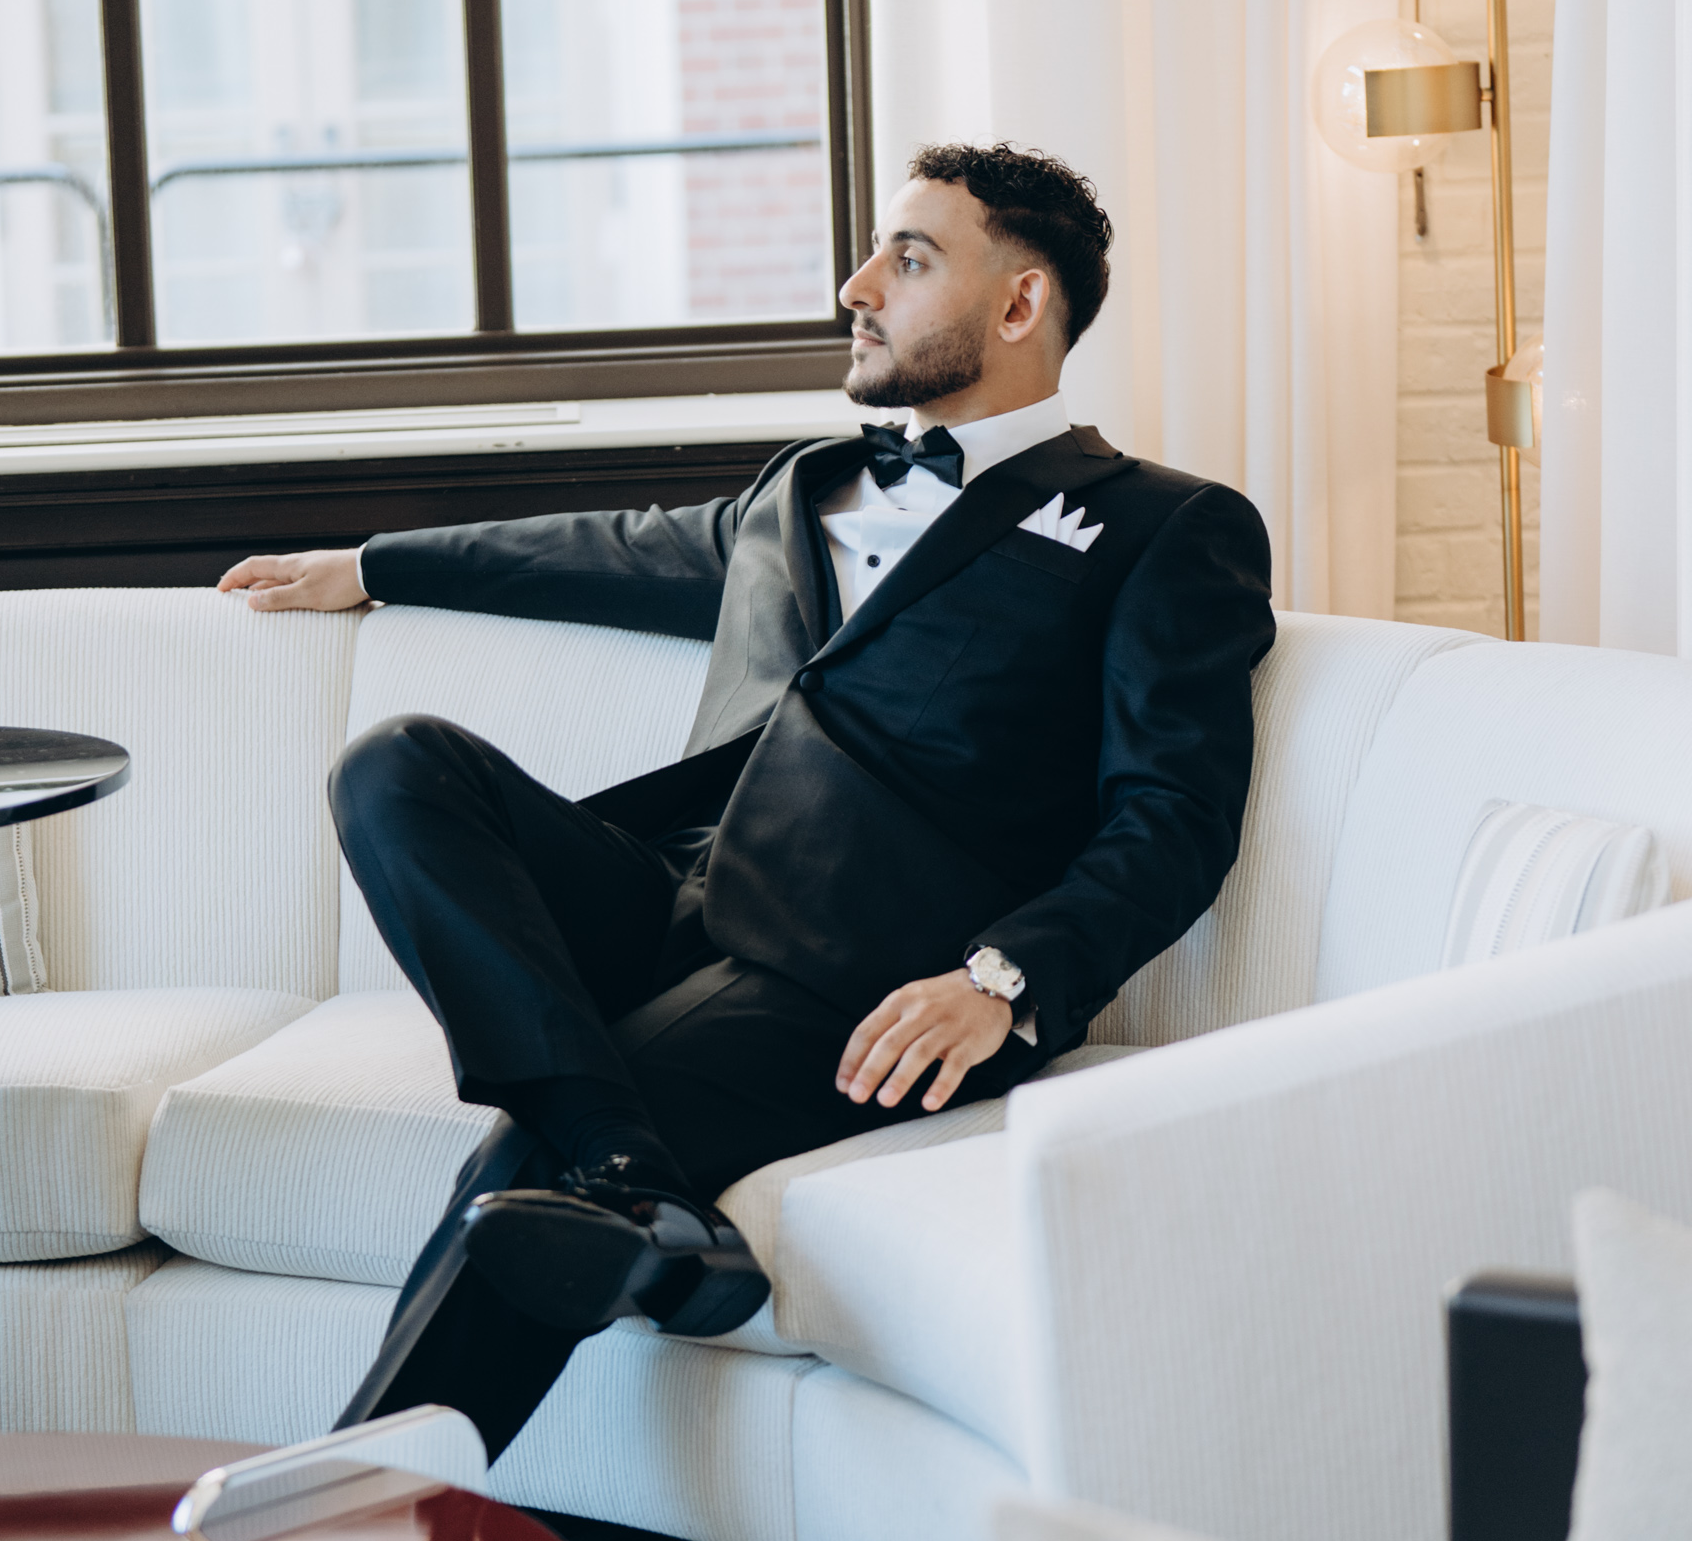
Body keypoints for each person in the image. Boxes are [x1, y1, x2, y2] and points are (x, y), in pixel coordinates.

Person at [219, 141, 1275, 1458]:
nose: (856, 287)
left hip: (870, 979)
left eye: (909, 260)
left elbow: (1174, 818)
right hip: (674, 897)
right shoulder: (804, 487)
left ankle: (362, 1502)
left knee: (532, 1174)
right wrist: (372, 565)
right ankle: (632, 1179)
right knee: (396, 764)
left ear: (1020, 304)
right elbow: (598, 552)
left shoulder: (1164, 528)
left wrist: (1000, 980)